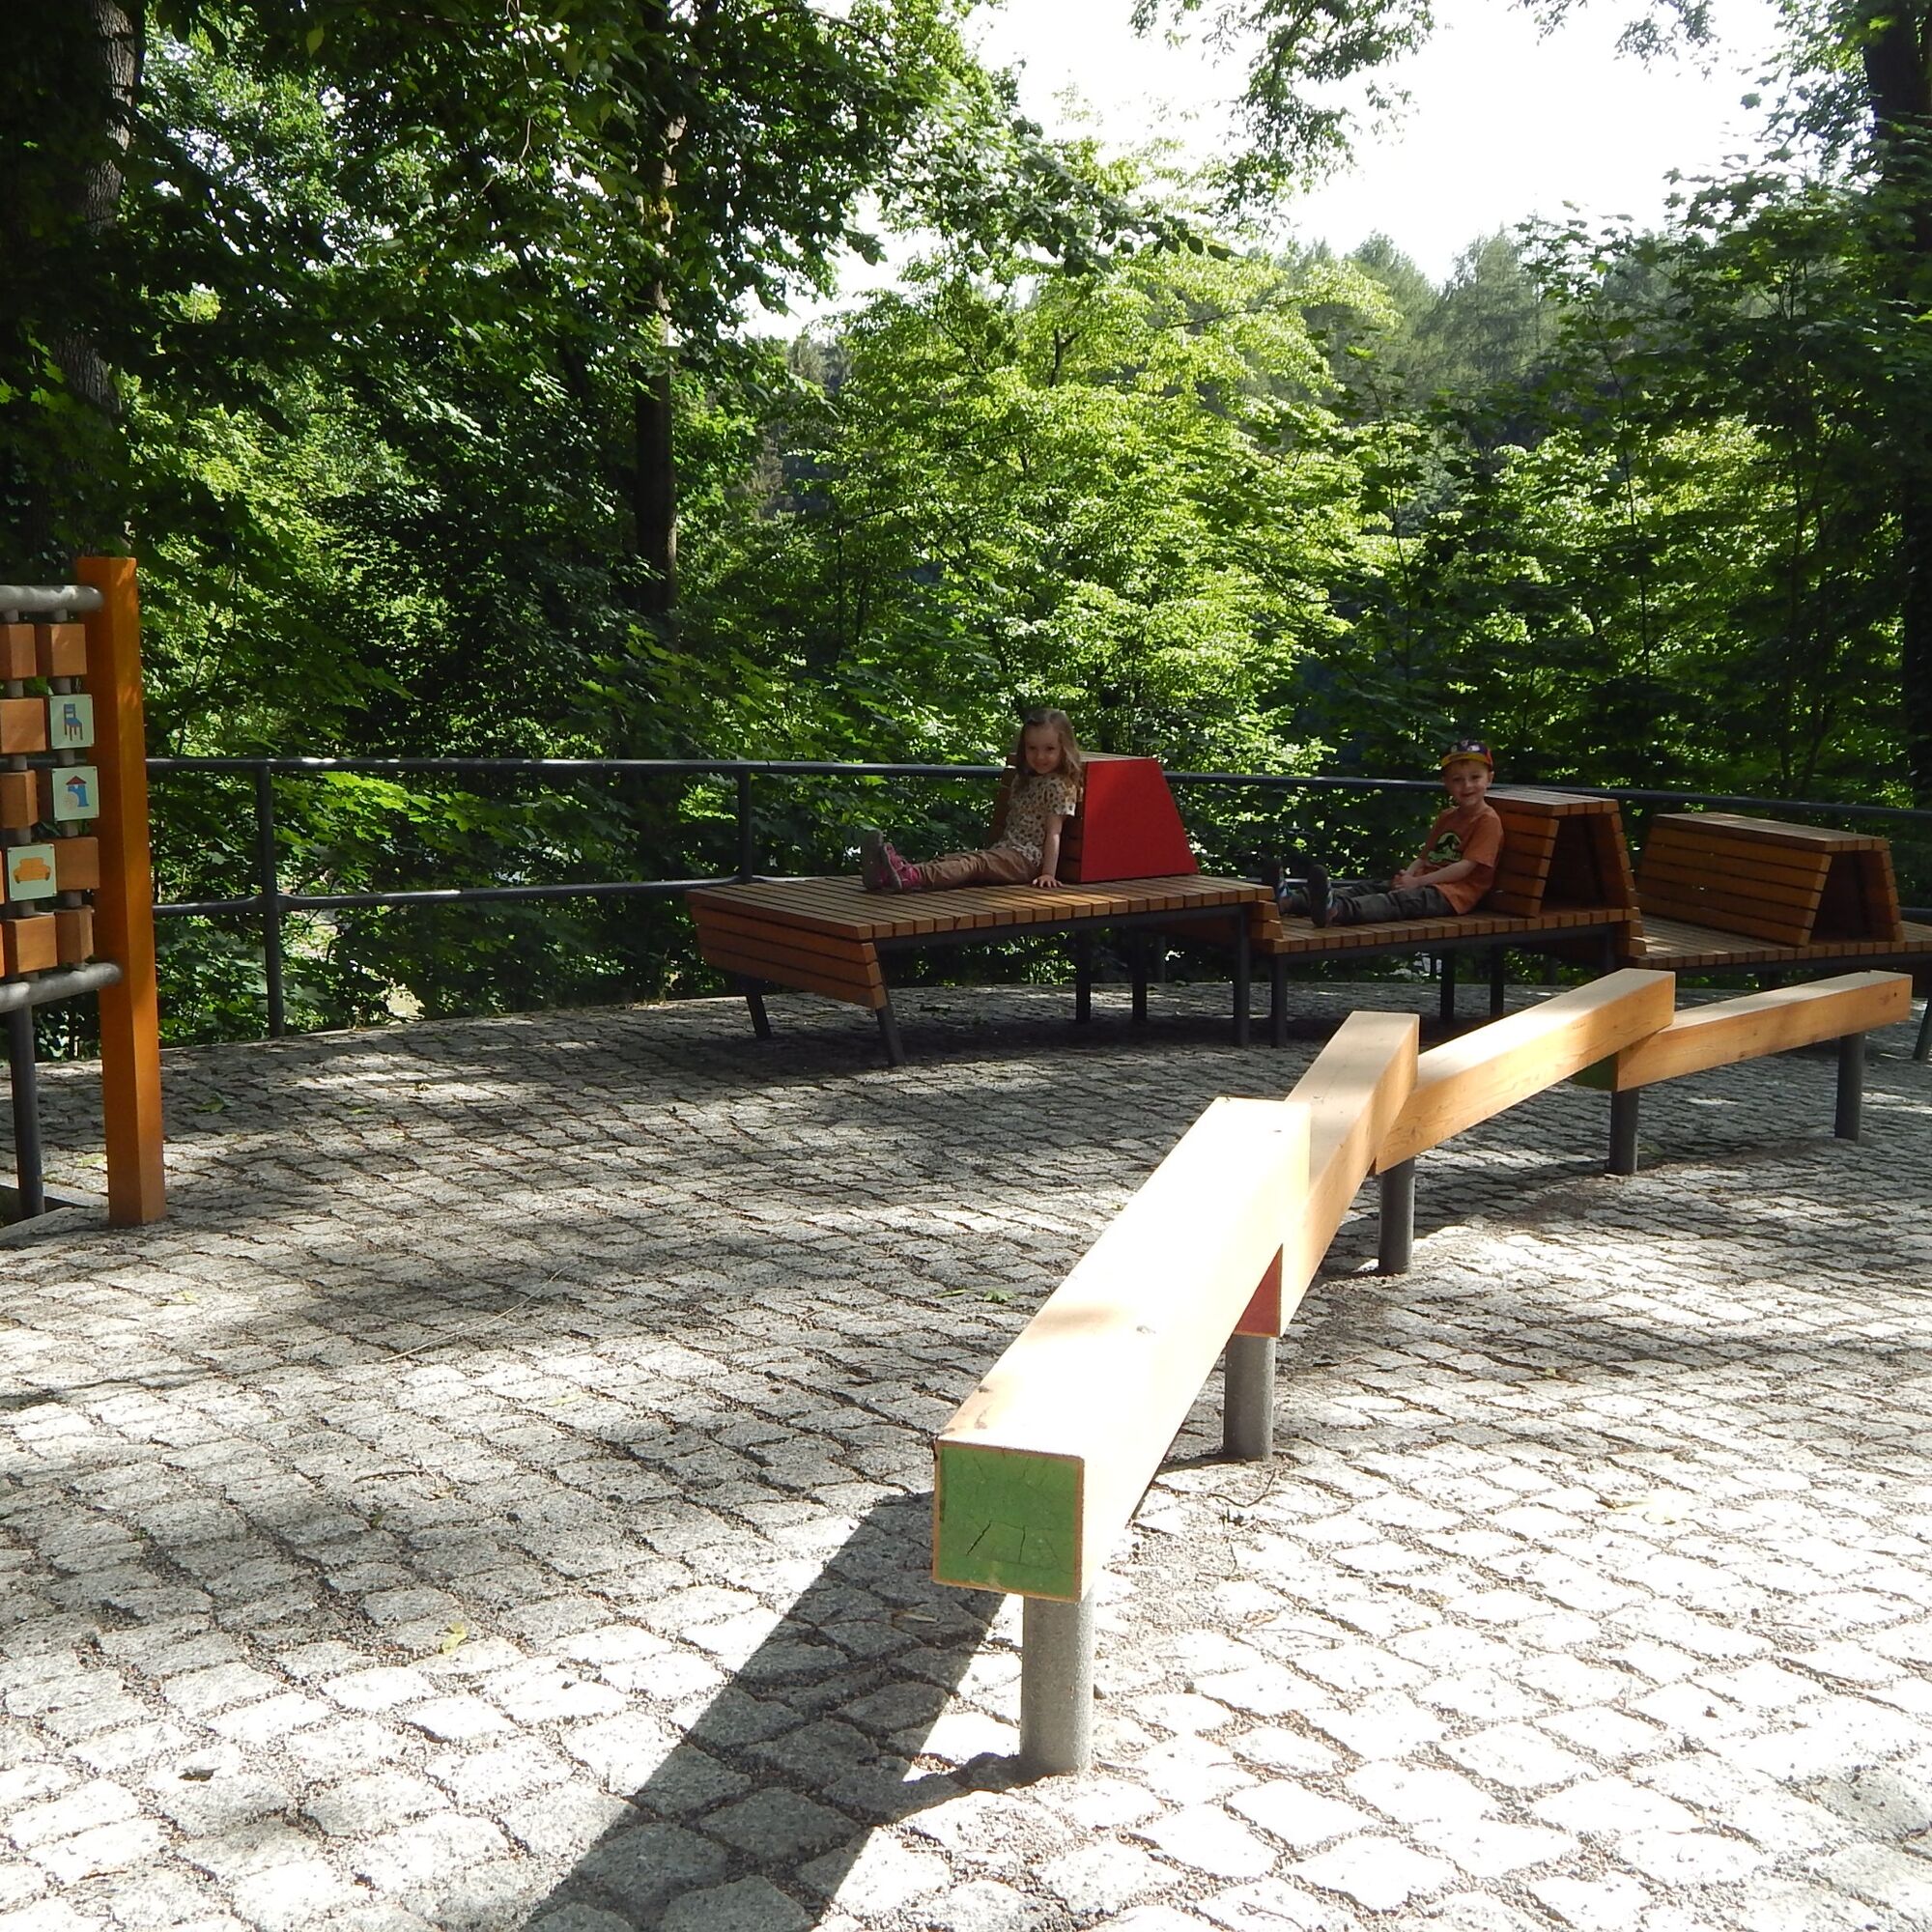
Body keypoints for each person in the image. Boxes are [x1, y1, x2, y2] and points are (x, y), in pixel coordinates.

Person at [1280, 738, 1503, 926]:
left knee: (1395, 902)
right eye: (1457, 780)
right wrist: (1408, 876)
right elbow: (1424, 857)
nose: (1467, 786)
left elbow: (1465, 868)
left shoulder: (1487, 821)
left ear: (1489, 779)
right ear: (1446, 783)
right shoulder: (1448, 816)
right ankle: (1293, 901)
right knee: (1370, 887)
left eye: (1475, 778)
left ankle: (1336, 910)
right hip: (1424, 882)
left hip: (1451, 896)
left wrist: (1417, 882)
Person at [861, 710, 1084, 892]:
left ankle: (913, 875)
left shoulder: (1058, 785)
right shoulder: (1024, 780)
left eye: (1049, 749)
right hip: (1007, 852)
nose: (1040, 756)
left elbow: (1054, 833)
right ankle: (892, 875)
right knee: (961, 857)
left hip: (1027, 860)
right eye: (1032, 748)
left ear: (1064, 749)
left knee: (974, 863)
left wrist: (1048, 874)